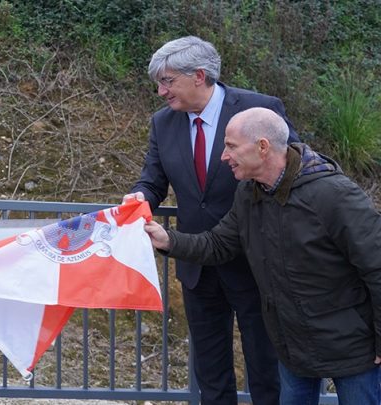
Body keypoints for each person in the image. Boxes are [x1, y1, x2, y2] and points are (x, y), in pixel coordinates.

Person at [143, 107, 381, 404]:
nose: (223, 156)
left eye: (230, 146)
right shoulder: (248, 194)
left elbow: (376, 267)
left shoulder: (334, 195)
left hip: (353, 349)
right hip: (292, 348)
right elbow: (218, 245)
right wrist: (168, 240)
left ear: (263, 147)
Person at [125, 36, 300, 405]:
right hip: (197, 266)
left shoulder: (259, 110)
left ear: (199, 75)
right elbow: (153, 180)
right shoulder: (163, 123)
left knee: (266, 369)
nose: (160, 91)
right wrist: (139, 197)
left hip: (256, 263)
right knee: (210, 373)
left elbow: (292, 171)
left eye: (167, 80)